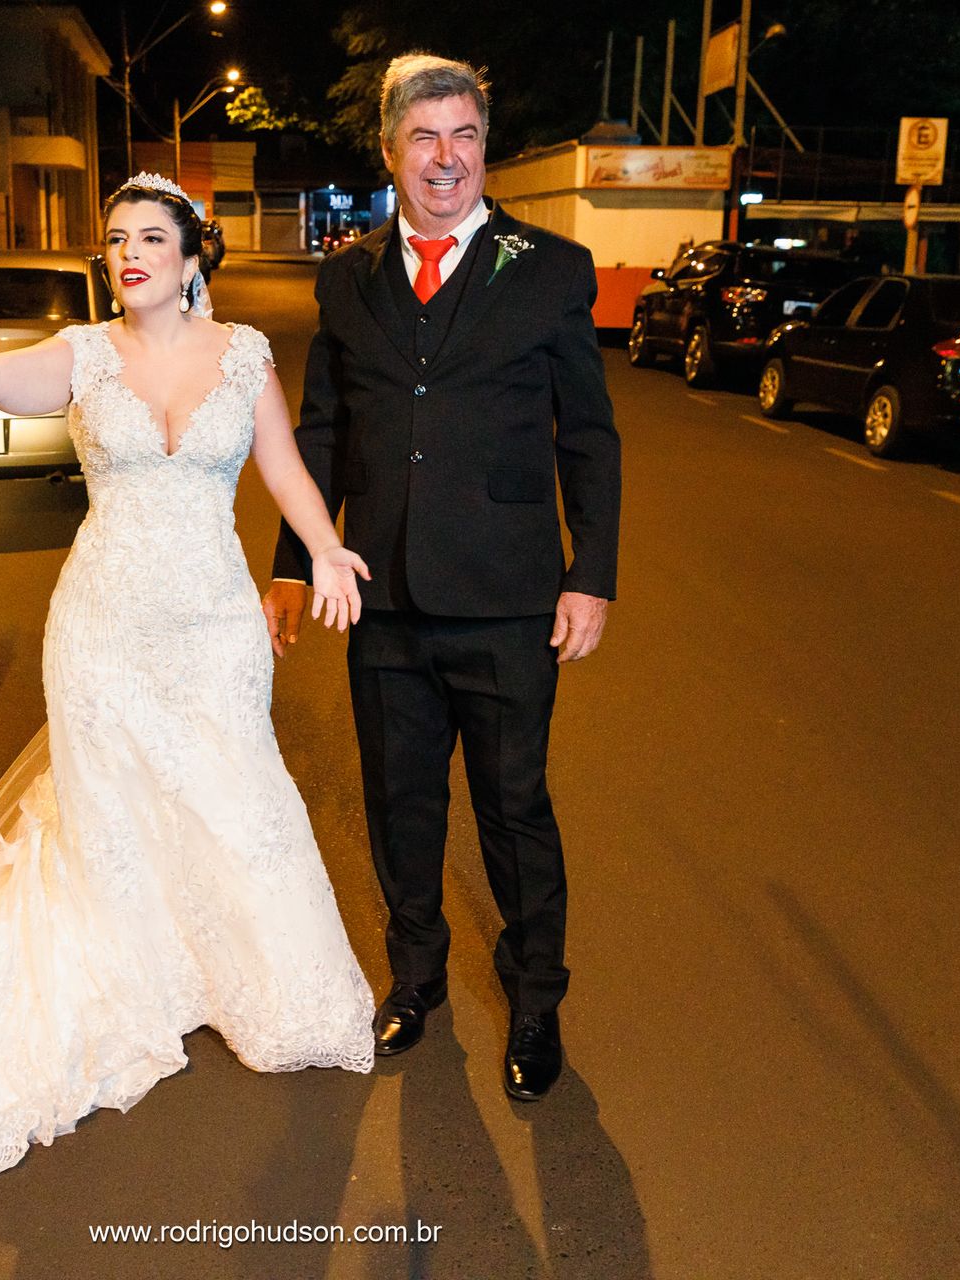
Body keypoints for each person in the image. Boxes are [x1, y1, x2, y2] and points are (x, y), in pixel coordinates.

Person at [0, 173, 376, 1227]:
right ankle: (133, 966)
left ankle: (250, 974)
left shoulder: (246, 357)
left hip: (215, 622)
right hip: (103, 621)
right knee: (106, 811)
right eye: (115, 238)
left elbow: (282, 466)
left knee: (239, 795)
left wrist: (325, 548)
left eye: (152, 236)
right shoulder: (84, 354)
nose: (128, 251)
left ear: (195, 254)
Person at [262, 54, 622, 1103]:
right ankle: (415, 978)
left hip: (511, 600)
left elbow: (588, 436)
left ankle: (537, 997)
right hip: (381, 598)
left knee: (515, 808)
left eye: (463, 136)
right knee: (401, 803)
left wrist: (588, 571)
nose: (446, 157)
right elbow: (322, 431)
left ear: (482, 148)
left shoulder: (550, 268)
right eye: (425, 138)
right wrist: (295, 563)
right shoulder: (350, 276)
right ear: (390, 153)